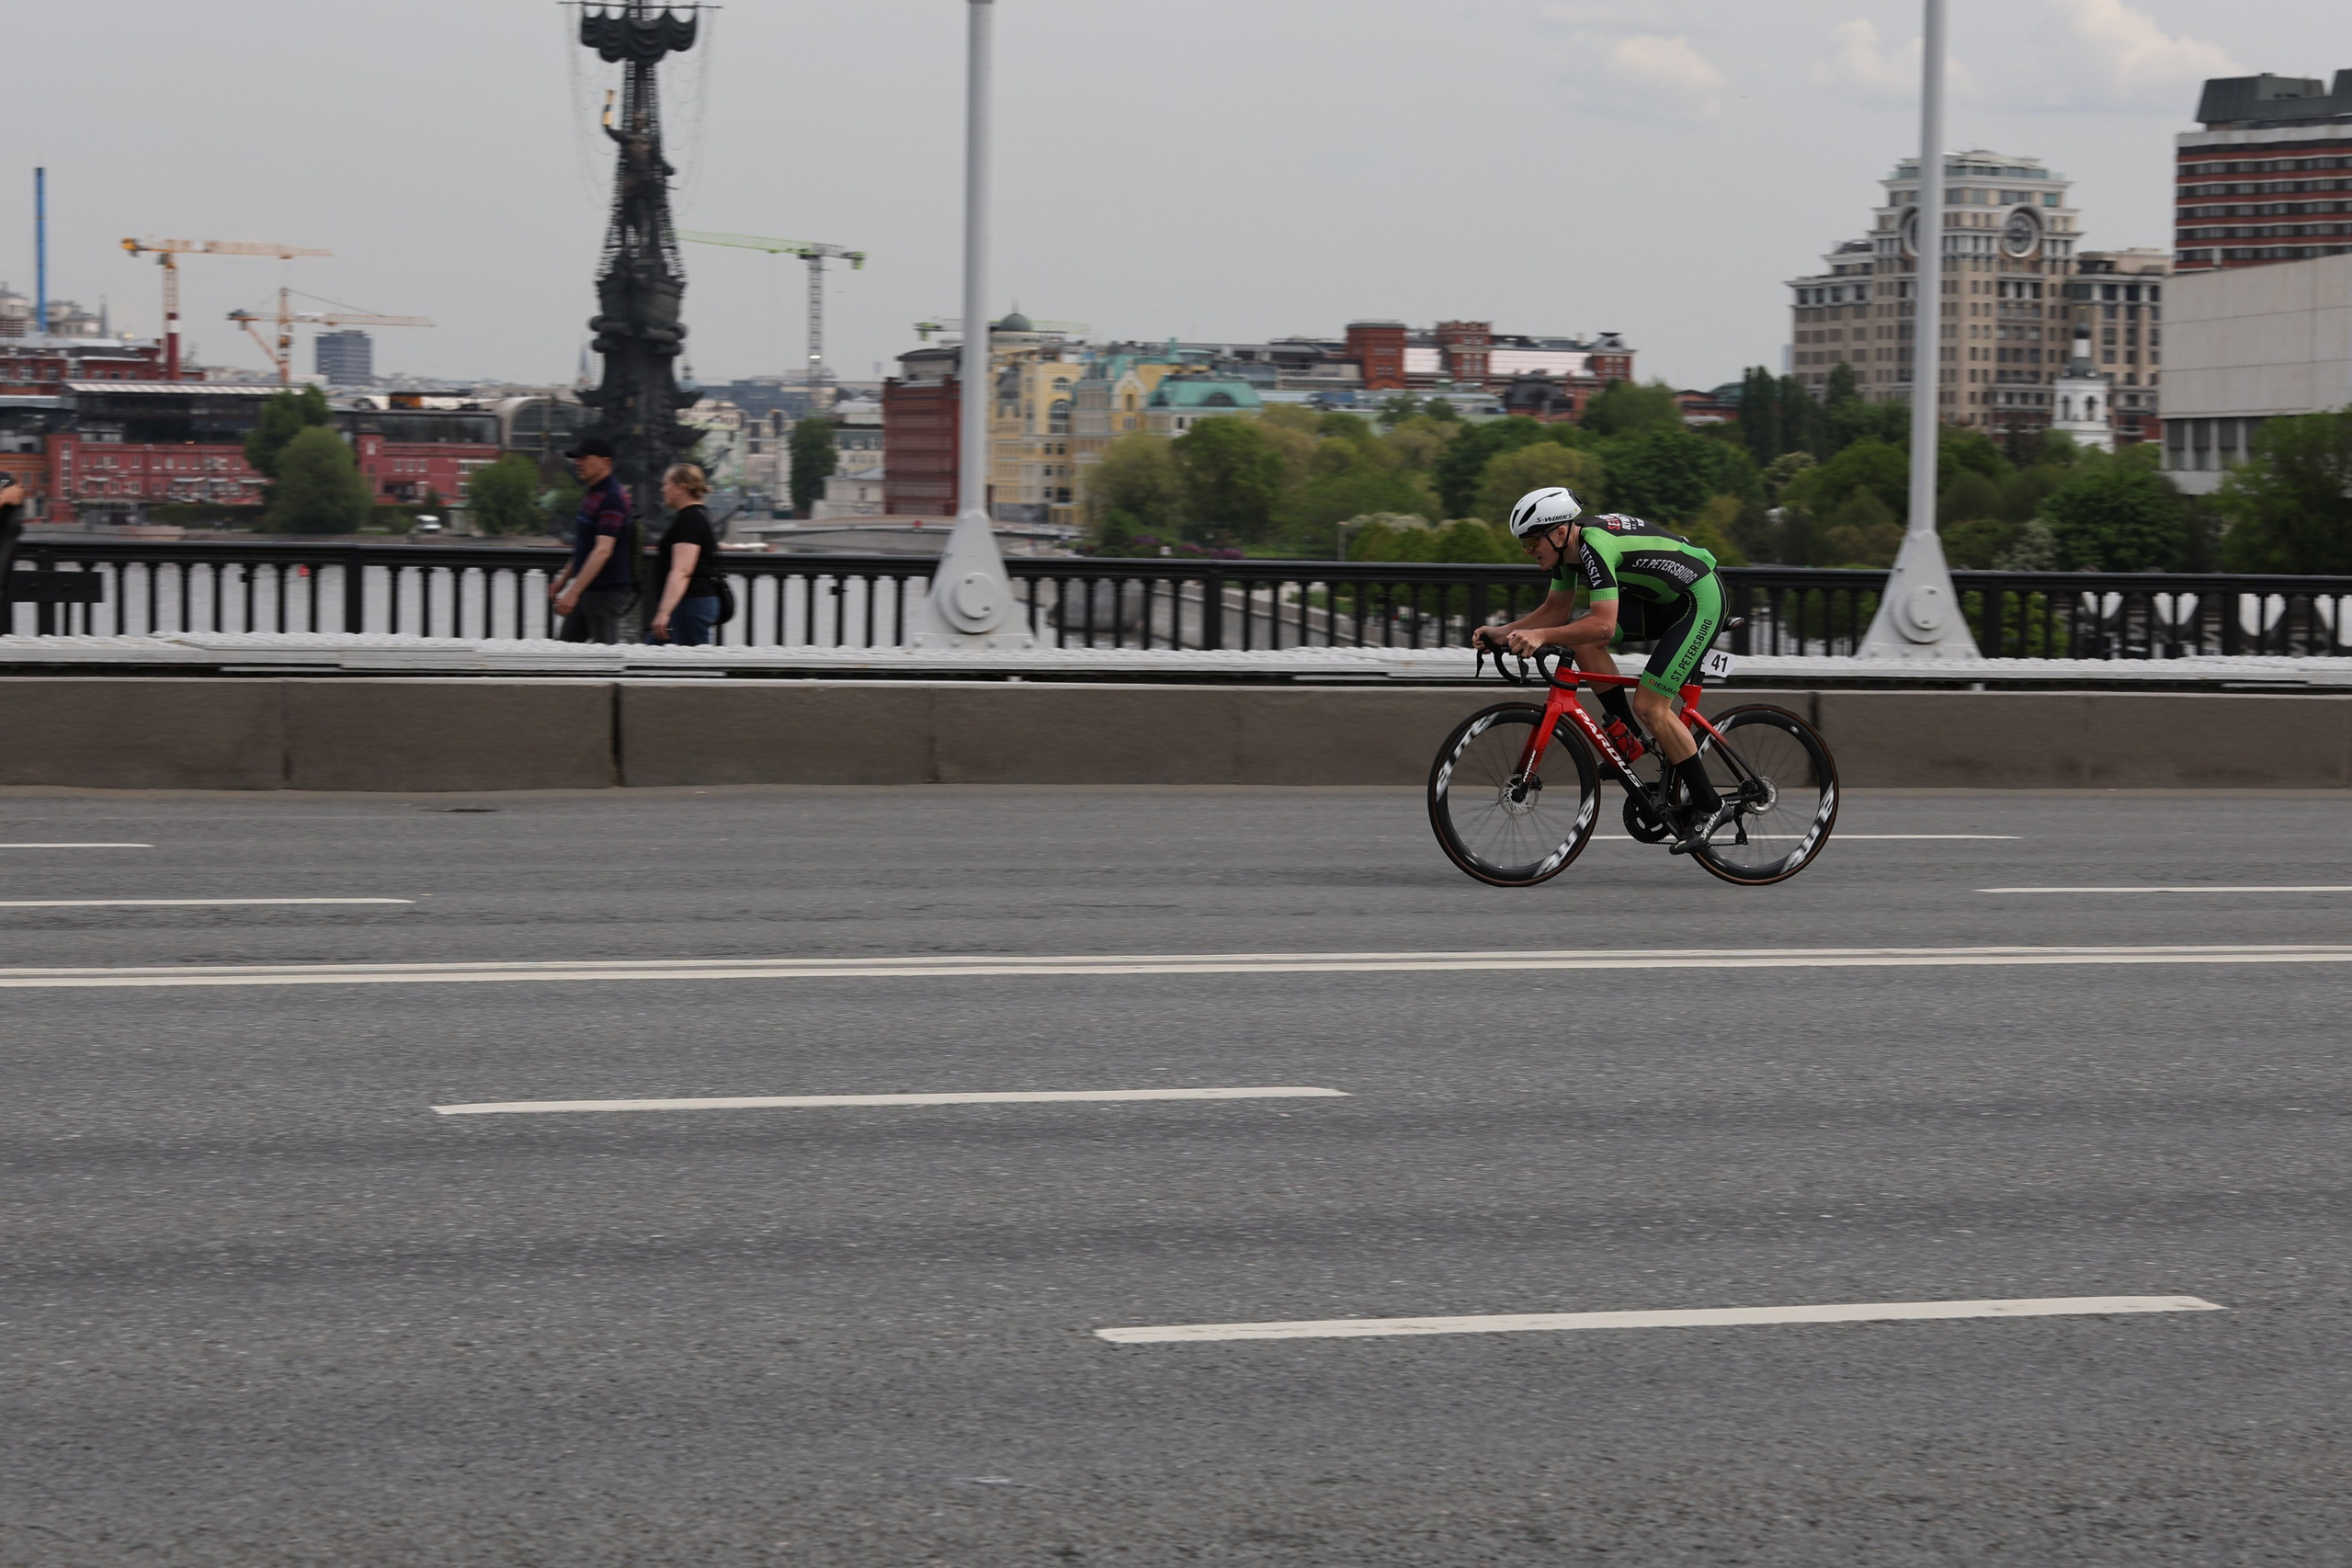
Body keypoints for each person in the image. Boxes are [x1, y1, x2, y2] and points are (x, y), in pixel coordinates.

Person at [1472, 486, 1731, 849]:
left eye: (1533, 542)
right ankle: (1630, 740)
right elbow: (1556, 612)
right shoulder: (1566, 554)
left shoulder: (1594, 547)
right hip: (1663, 601)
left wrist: (1541, 636)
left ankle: (1710, 805)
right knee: (1581, 640)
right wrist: (1503, 633)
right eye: (1524, 544)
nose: (1529, 551)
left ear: (1559, 532)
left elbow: (1605, 626)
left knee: (1651, 706)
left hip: (1698, 599)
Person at [548, 437, 635, 643]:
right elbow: (584, 548)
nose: (578, 462)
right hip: (587, 588)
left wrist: (573, 591)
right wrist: (563, 580)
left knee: (606, 657)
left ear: (605, 462)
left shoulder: (611, 497)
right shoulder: (594, 494)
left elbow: (603, 550)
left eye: (585, 458)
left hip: (605, 591)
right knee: (565, 653)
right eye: (577, 458)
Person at [647, 463, 722, 647]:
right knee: (649, 660)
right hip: (687, 604)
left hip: (689, 605)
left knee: (696, 668)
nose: (663, 489)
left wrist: (664, 612)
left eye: (666, 484)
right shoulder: (700, 515)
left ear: (680, 488)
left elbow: (682, 570)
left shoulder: (690, 519)